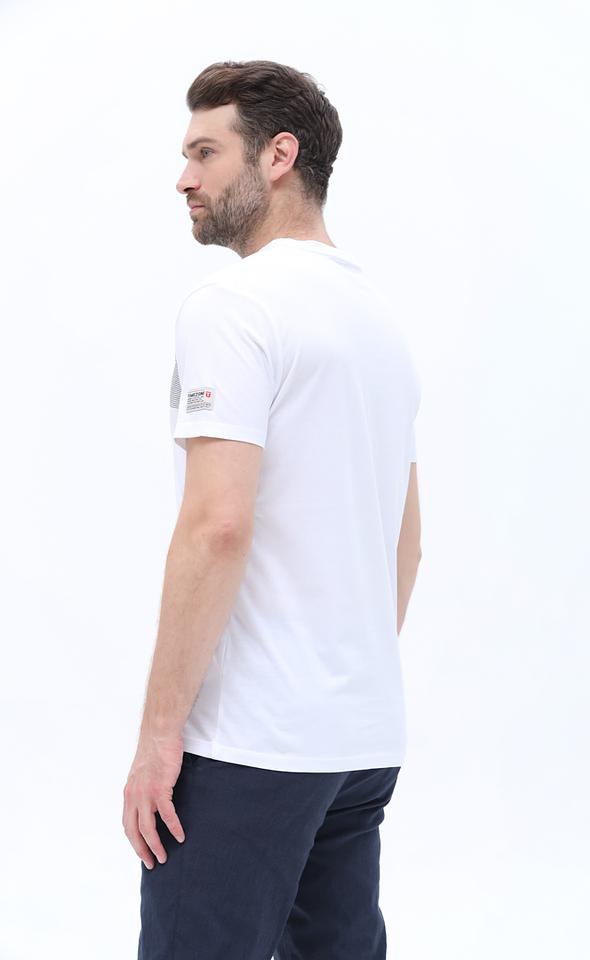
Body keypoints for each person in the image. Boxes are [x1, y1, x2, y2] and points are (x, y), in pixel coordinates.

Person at [122, 58, 422, 960]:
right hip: (359, 742)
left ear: (279, 155)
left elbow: (217, 526)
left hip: (247, 748)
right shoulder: (378, 319)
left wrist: (160, 736)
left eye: (205, 152)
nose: (183, 178)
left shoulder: (234, 306)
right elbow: (407, 541)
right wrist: (334, 677)